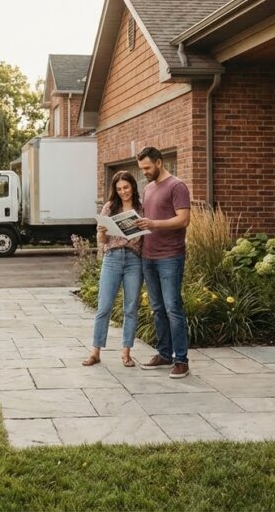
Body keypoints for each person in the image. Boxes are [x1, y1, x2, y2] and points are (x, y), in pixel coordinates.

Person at [134, 147, 192, 379]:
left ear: (159, 162)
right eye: (141, 169)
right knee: (157, 309)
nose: (144, 173)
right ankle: (164, 353)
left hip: (170, 256)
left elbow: (183, 219)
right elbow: (146, 220)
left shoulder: (177, 186)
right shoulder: (148, 188)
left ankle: (181, 360)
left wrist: (154, 224)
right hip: (149, 256)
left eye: (147, 168)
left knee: (173, 308)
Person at [83, 170, 143, 368]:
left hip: (134, 259)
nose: (123, 192)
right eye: (119, 189)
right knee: (104, 306)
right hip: (113, 258)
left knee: (131, 307)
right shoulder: (110, 207)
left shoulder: (141, 208)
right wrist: (101, 232)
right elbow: (102, 240)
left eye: (126, 187)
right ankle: (95, 352)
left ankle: (126, 353)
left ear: (133, 186)